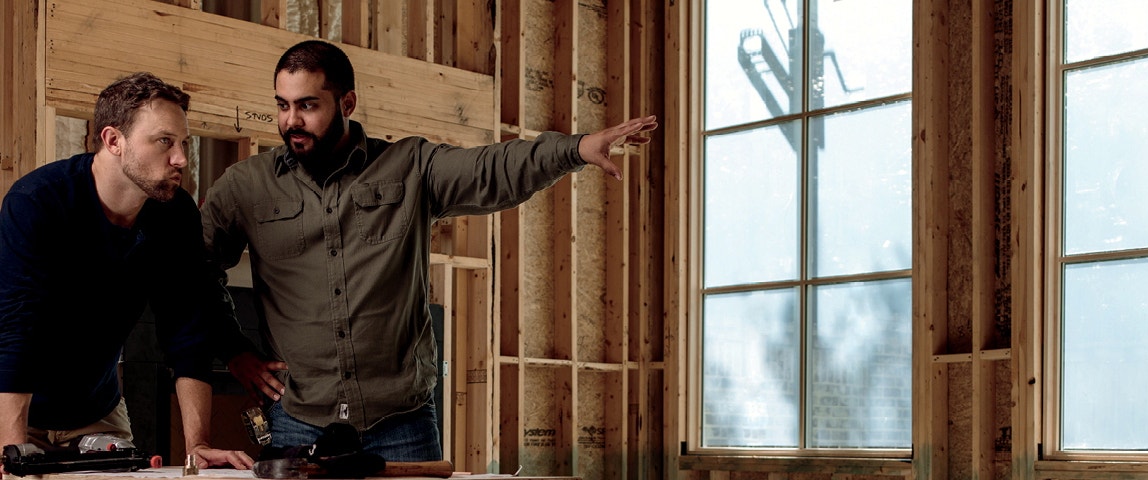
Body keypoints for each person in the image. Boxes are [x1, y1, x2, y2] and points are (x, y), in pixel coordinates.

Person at [203, 40, 657, 462]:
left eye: (307, 105)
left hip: (402, 423)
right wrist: (232, 348)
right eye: (282, 105)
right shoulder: (247, 187)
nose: (291, 122)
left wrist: (574, 149)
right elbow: (191, 273)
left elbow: (490, 169)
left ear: (346, 103)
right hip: (298, 419)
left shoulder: (409, 167)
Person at [0, 72, 255, 471]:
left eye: (183, 143)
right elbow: (17, 331)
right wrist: (11, 453)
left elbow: (186, 329)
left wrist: (198, 445)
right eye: (164, 141)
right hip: (12, 408)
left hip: (95, 411)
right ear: (113, 140)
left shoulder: (174, 213)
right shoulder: (37, 202)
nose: (181, 159)